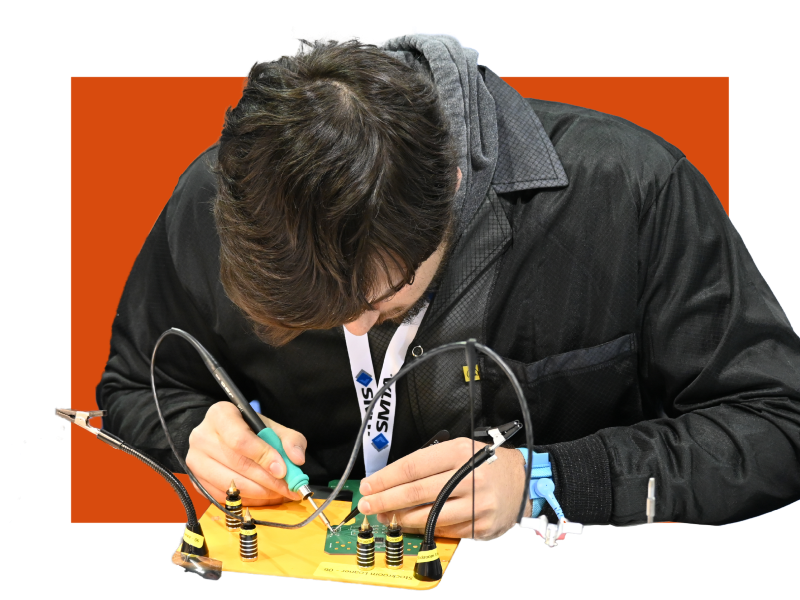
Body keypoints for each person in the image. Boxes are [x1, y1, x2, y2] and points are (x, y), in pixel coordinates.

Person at [96, 32, 798, 541]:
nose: (352, 331)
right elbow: (134, 385)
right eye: (307, 317)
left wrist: (544, 482)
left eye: (382, 302)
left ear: (452, 189)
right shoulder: (214, 201)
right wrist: (197, 433)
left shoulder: (633, 191)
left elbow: (777, 426)